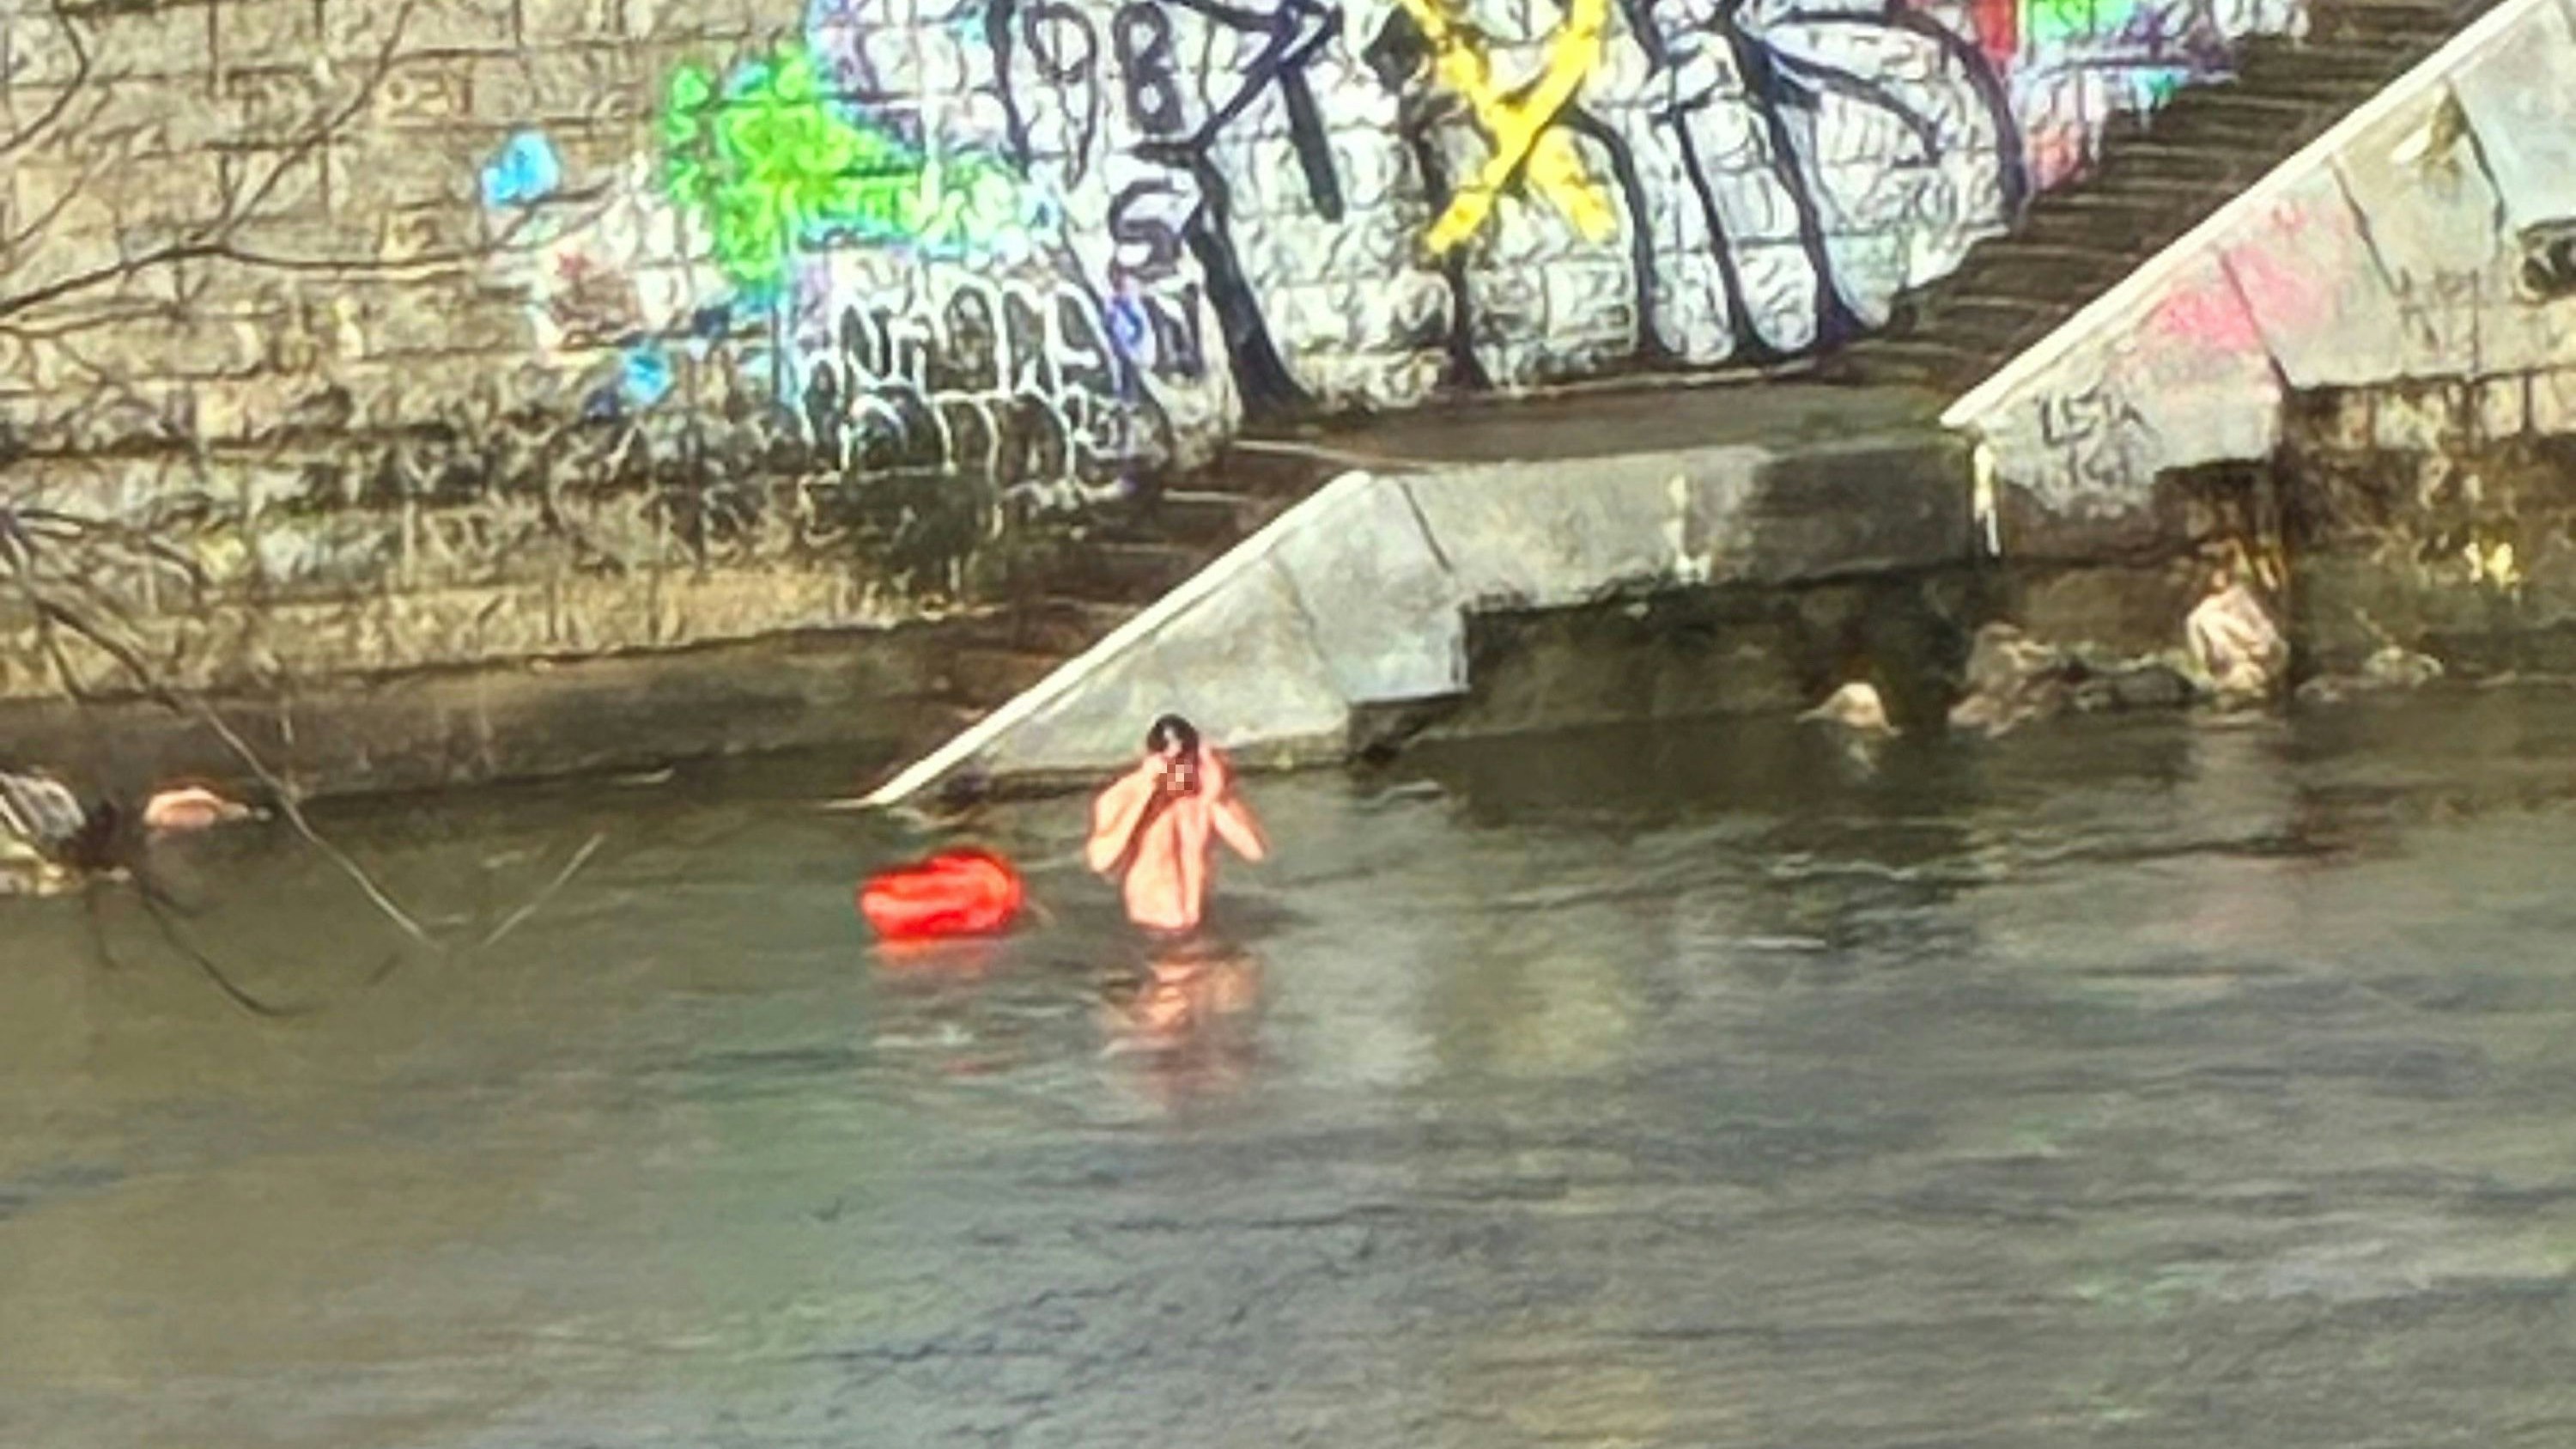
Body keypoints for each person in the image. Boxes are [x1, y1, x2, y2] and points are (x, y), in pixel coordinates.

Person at [1085, 715, 1267, 936]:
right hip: (1151, 930)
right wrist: (1146, 790)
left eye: (1186, 763)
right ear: (1152, 759)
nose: (1180, 773)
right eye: (1171, 764)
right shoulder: (1123, 795)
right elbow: (1100, 861)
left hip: (1199, 926)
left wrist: (1217, 798)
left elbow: (1255, 851)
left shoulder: (1205, 793)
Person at [2186, 563, 2288, 703]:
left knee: (2211, 620)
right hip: (2240, 649)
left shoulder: (2238, 593)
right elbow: (2194, 619)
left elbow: (2263, 626)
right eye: (2214, 574)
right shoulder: (2212, 601)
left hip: (2262, 643)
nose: (2217, 578)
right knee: (2201, 621)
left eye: (2220, 573)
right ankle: (2212, 666)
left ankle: (2230, 661)